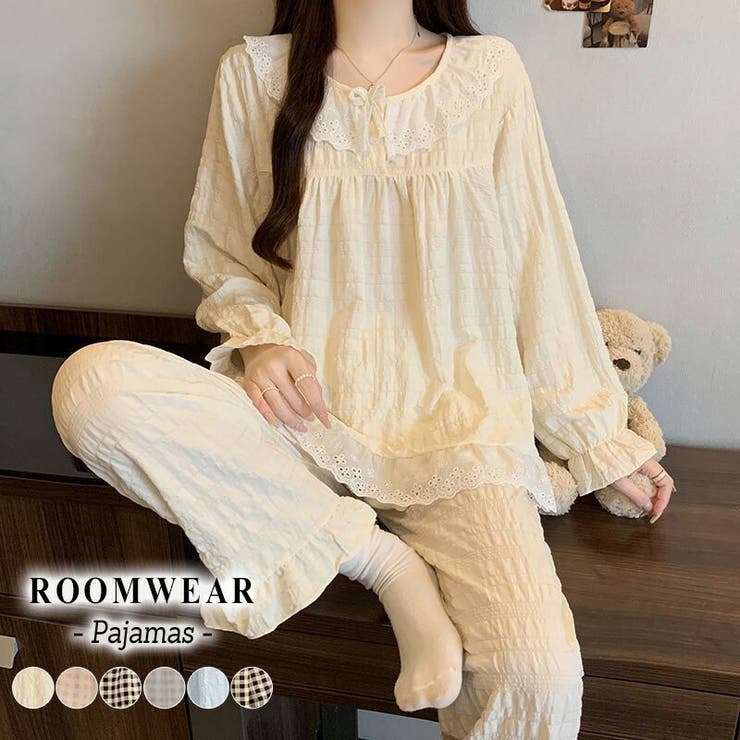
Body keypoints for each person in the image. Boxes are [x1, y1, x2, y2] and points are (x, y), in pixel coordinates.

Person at [50, 2, 676, 737]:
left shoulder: (490, 74)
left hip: (458, 433)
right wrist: (262, 342)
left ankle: (377, 555)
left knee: (537, 672)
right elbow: (227, 255)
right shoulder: (253, 75)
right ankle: (383, 564)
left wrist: (598, 442)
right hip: (300, 420)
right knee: (90, 388)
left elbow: (540, 266)